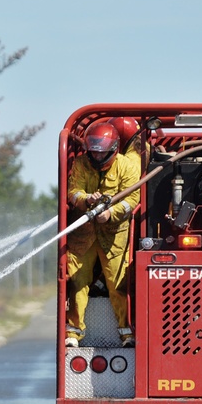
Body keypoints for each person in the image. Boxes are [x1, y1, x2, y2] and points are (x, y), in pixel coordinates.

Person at [66, 119, 141, 348]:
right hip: (83, 237)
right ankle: (73, 333)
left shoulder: (126, 166)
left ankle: (127, 333)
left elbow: (132, 200)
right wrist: (85, 199)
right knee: (77, 281)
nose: (97, 158)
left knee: (119, 284)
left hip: (114, 236)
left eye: (102, 154)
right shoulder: (81, 163)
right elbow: (73, 191)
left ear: (114, 149)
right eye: (93, 153)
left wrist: (112, 213)